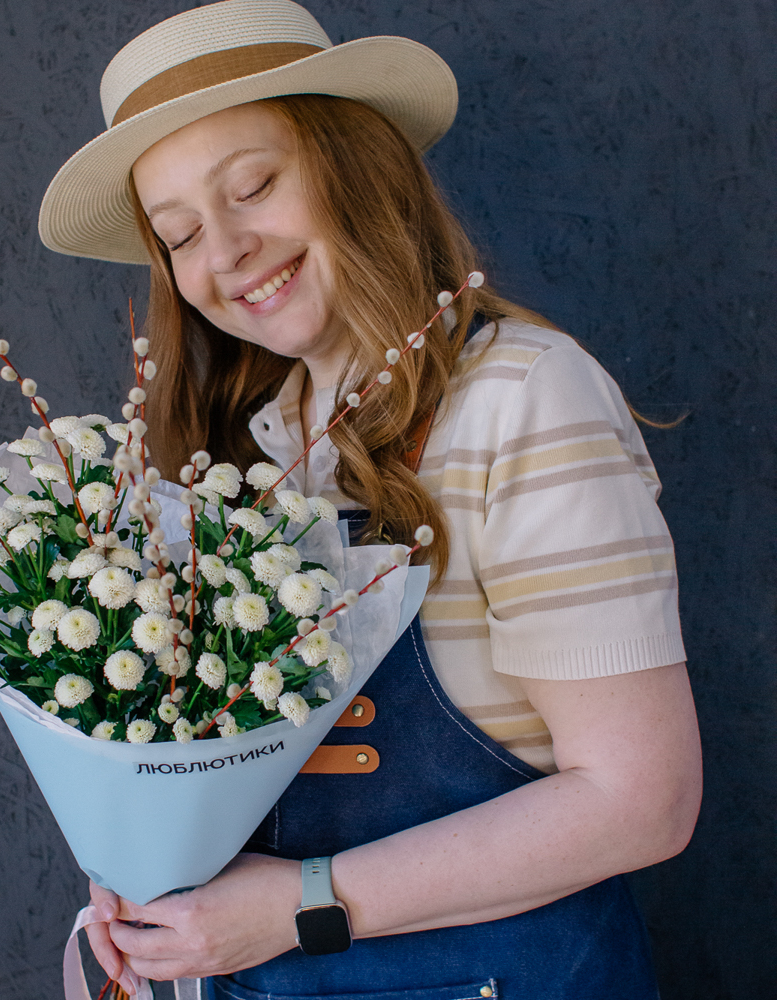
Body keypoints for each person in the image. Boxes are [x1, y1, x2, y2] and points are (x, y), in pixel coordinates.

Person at [38, 2, 702, 997]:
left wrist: (301, 900)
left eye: (253, 185)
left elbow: (641, 799)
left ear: (353, 159)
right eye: (178, 234)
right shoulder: (247, 453)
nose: (224, 252)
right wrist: (151, 869)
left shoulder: (520, 401)